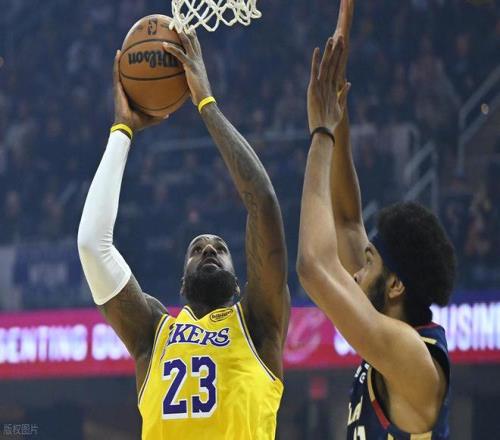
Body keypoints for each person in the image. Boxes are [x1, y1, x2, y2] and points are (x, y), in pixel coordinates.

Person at [78, 30, 289, 440]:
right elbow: (91, 245)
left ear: (239, 281)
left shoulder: (259, 325)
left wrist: (206, 103)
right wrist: (121, 131)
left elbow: (262, 202)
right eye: (197, 249)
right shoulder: (153, 333)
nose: (209, 249)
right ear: (181, 281)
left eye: (220, 248)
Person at [296, 1, 455, 438]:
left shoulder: (412, 357)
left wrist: (321, 133)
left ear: (395, 285)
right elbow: (348, 221)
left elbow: (313, 266)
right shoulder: (393, 332)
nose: (355, 271)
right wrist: (337, 109)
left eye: (368, 263)